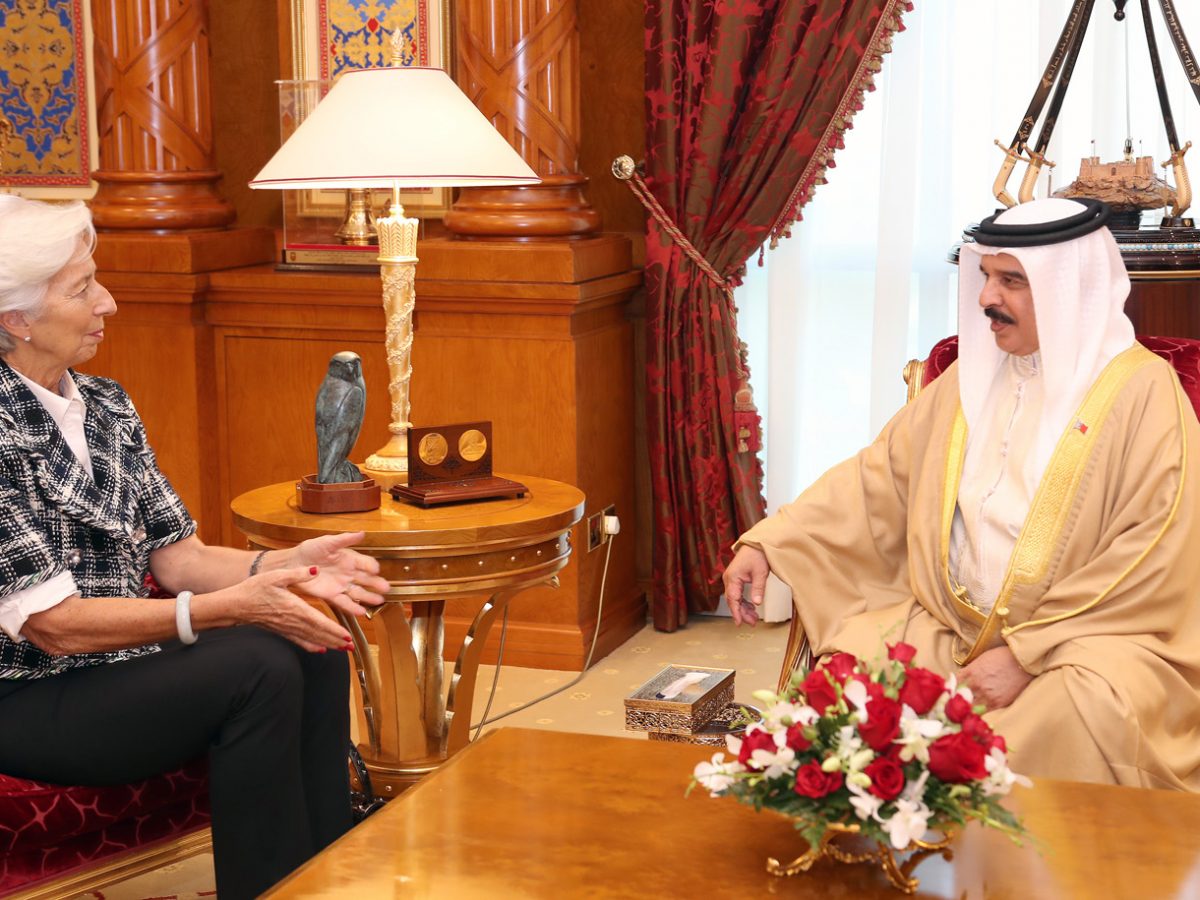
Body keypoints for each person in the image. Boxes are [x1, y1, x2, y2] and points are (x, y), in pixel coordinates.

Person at [723, 197, 1200, 790]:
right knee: (852, 676)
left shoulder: (1143, 393)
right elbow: (878, 481)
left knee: (1080, 711)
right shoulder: (973, 376)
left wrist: (1027, 655)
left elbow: (1150, 553)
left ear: (1067, 289)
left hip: (1089, 640)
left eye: (1011, 282)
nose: (985, 300)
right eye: (985, 277)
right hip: (951, 622)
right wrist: (770, 543)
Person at [0, 195, 393, 897]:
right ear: (15, 318)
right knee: (255, 665)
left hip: (118, 667)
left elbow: (176, 557)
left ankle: (325, 879)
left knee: (310, 643)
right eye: (81, 287)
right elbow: (53, 628)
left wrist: (293, 567)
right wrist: (235, 609)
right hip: (28, 696)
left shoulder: (106, 404)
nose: (108, 303)